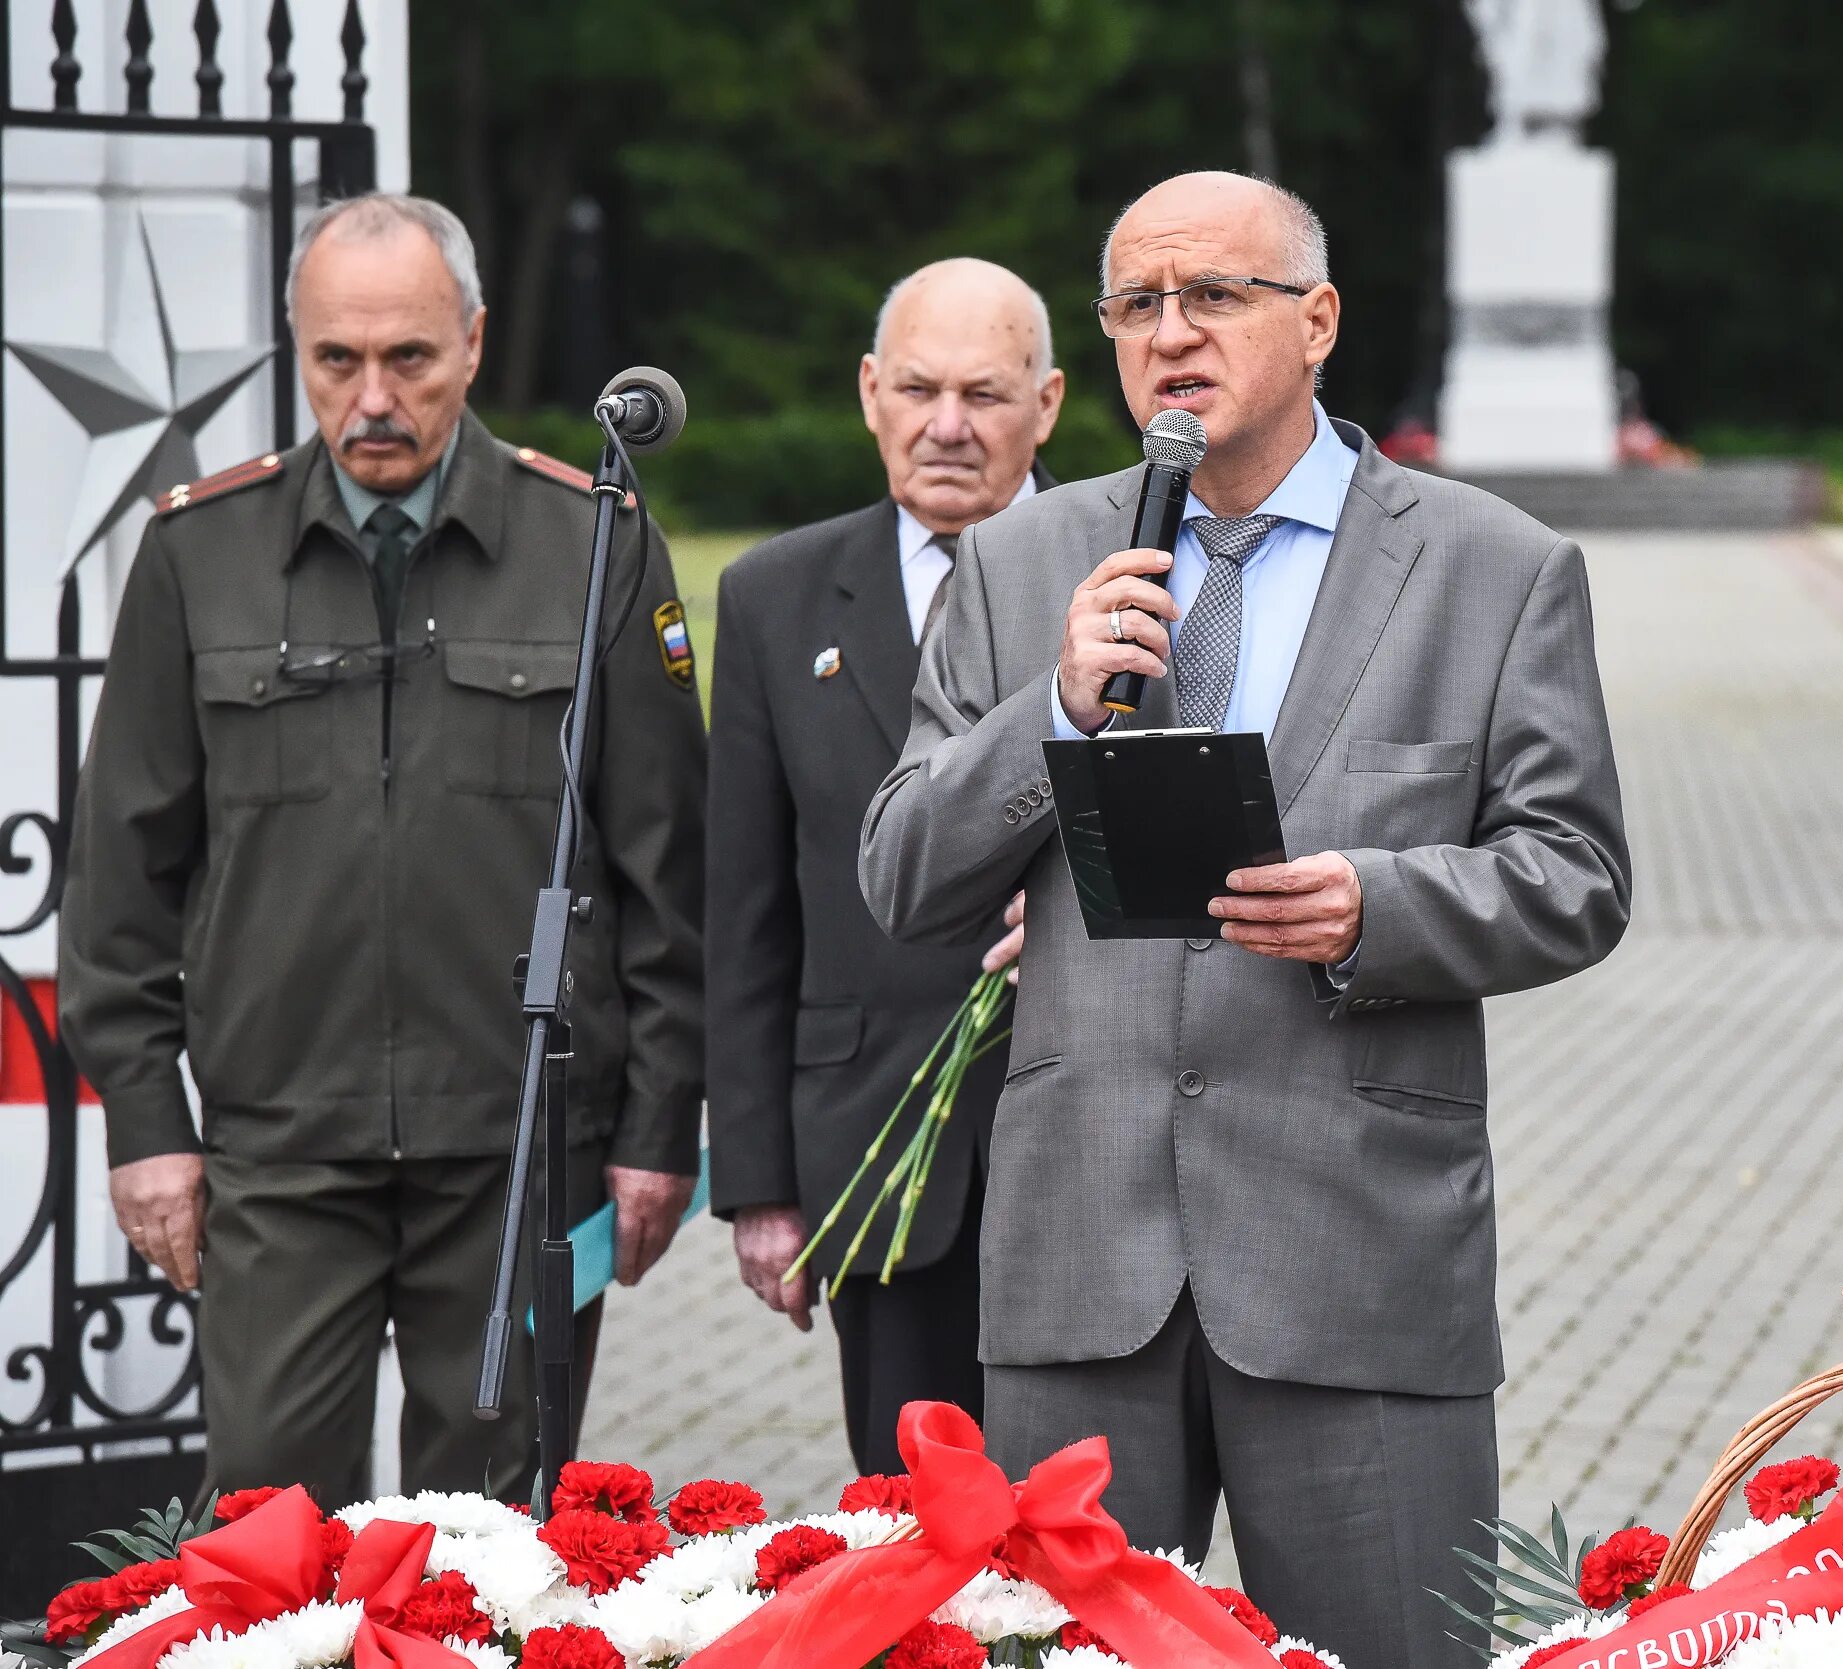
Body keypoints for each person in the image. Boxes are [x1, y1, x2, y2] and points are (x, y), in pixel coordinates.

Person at [858, 171, 1632, 1667]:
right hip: (1083, 1263)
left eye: (1214, 295)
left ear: (1319, 321)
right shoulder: (1026, 566)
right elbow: (900, 867)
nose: (1174, 333)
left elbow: (1577, 871)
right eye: (1140, 304)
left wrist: (1375, 905)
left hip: (1355, 1263)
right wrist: (1056, 713)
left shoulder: (1494, 568)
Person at [58, 193, 707, 1506]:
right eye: (335, 360)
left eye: (408, 358)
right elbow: (121, 885)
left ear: (471, 341)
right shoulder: (199, 554)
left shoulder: (595, 545)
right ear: (297, 349)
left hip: (520, 1149)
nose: (371, 397)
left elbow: (669, 876)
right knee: (268, 1540)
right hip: (281, 1152)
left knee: (490, 1559)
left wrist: (657, 1130)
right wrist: (145, 1128)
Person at [706, 258, 1060, 1476]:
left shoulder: (1140, 573)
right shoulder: (772, 596)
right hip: (877, 1153)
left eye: (985, 394)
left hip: (1089, 1151)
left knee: (1097, 1543)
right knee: (916, 1534)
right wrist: (759, 1184)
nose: (947, 426)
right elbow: (745, 908)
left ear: (1049, 405)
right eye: (917, 389)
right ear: (869, 392)